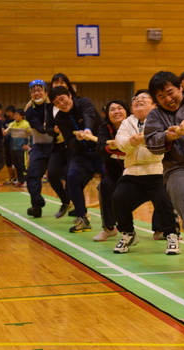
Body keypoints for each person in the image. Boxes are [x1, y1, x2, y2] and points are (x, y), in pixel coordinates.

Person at [144, 71, 184, 274]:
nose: (168, 99)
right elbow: (151, 142)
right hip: (176, 169)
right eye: (161, 97)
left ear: (180, 87)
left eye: (170, 92)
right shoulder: (154, 115)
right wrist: (167, 136)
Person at [112, 91, 180, 254]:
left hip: (157, 171)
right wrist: (131, 141)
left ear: (154, 104)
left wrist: (145, 140)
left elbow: (166, 139)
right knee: (118, 198)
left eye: (143, 98)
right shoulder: (127, 122)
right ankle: (128, 233)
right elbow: (120, 143)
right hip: (132, 172)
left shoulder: (162, 119)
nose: (138, 101)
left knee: (163, 202)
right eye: (135, 99)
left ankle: (171, 234)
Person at [48, 85, 102, 233]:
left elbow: (88, 116)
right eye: (56, 103)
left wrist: (87, 129)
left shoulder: (84, 103)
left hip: (101, 151)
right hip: (81, 154)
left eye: (62, 99)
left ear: (69, 95)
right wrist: (77, 139)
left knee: (112, 182)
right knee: (71, 177)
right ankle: (82, 217)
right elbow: (69, 142)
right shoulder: (59, 117)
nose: (61, 104)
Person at [92, 99, 127, 242]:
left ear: (126, 111)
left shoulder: (134, 125)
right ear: (107, 114)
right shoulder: (104, 128)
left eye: (120, 108)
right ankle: (109, 228)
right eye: (112, 109)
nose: (116, 112)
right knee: (105, 186)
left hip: (135, 172)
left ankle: (161, 229)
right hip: (114, 174)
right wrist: (110, 148)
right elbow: (100, 149)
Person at [45, 73, 76, 218]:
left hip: (73, 146)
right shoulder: (50, 107)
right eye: (55, 83)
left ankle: (78, 209)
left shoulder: (75, 101)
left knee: (71, 176)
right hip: (57, 146)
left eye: (62, 83)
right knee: (52, 174)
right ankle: (65, 201)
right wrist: (55, 131)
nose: (58, 85)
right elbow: (48, 128)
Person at [25, 79, 55, 218]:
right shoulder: (29, 109)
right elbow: (40, 128)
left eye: (39, 90)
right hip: (39, 146)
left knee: (63, 175)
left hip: (56, 146)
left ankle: (71, 204)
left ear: (46, 92)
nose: (37, 93)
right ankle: (36, 205)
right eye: (34, 91)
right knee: (32, 175)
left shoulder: (54, 106)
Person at [3, 108, 31, 186]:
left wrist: (29, 145)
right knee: (16, 165)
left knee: (23, 165)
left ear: (22, 116)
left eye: (17, 114)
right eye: (15, 114)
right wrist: (5, 132)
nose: (15, 116)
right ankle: (20, 180)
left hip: (22, 148)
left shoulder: (26, 124)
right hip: (13, 148)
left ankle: (26, 180)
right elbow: (6, 132)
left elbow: (32, 136)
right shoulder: (12, 124)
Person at [2, 105, 17, 185]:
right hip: (6, 144)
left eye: (10, 112)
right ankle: (11, 178)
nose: (9, 114)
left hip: (15, 144)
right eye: (7, 112)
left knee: (15, 161)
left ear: (14, 113)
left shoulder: (16, 122)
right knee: (8, 162)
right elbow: (3, 132)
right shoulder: (4, 122)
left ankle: (17, 178)